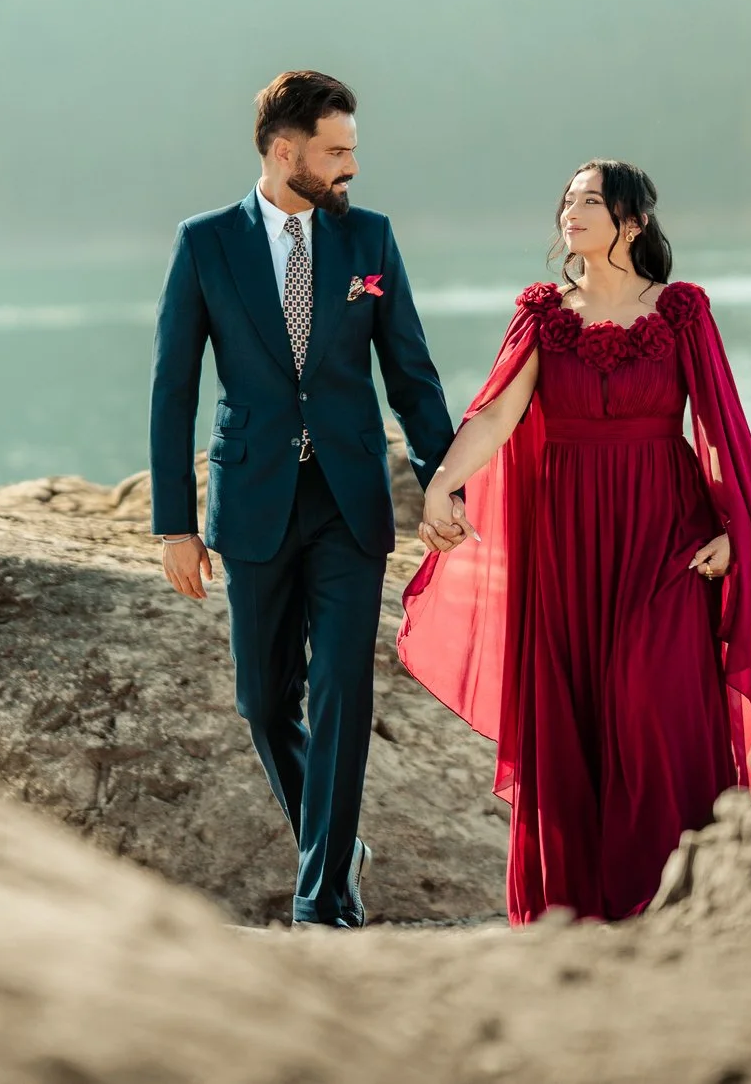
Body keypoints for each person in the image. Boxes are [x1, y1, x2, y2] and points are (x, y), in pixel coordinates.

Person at [397, 159, 751, 924]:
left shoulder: (681, 312)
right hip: (565, 543)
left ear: (631, 220)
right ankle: (585, 905)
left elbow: (722, 432)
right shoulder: (541, 315)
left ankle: (673, 890)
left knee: (652, 700)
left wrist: (735, 531)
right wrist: (442, 484)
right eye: (567, 199)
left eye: (590, 199)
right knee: (576, 716)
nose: (572, 210)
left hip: (666, 534)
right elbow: (496, 416)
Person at [148, 70, 457, 927]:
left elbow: (411, 372)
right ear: (286, 151)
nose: (352, 164)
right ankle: (336, 841)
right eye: (337, 149)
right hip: (252, 498)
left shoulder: (371, 240)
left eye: (352, 148)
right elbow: (173, 385)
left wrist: (444, 477)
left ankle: (322, 893)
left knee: (343, 692)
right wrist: (174, 522)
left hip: (351, 499)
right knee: (263, 697)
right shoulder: (206, 242)